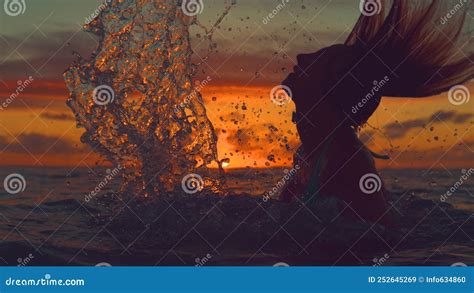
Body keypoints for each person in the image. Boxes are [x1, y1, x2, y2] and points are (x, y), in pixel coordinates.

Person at [279, 0, 473, 225]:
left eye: (319, 59)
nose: (302, 57)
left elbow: (374, 240)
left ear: (329, 90)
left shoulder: (348, 166)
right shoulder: (312, 151)